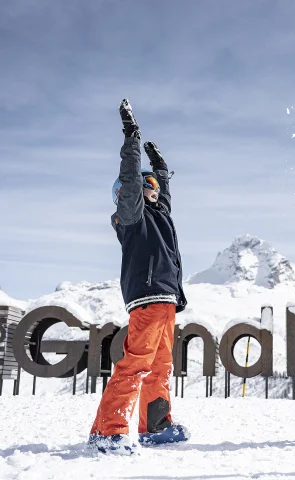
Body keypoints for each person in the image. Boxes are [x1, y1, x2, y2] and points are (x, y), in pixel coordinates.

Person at [88, 99, 189, 455]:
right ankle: (109, 431)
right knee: (135, 365)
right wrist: (132, 136)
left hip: (166, 300)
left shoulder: (159, 215)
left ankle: (156, 426)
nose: (153, 188)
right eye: (148, 184)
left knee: (160, 367)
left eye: (155, 184)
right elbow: (132, 180)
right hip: (147, 295)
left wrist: (161, 168)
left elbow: (165, 199)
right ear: (125, 193)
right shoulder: (131, 217)